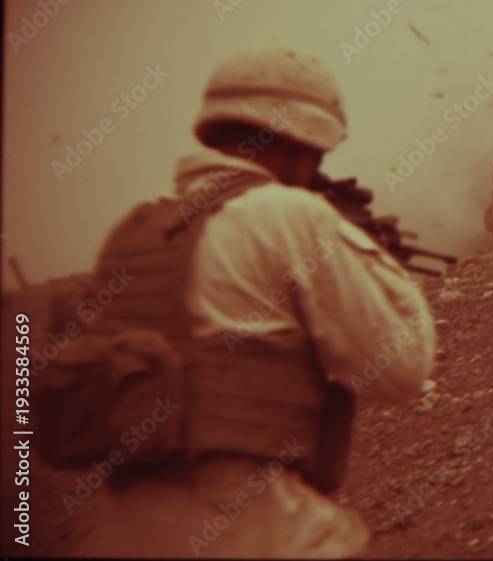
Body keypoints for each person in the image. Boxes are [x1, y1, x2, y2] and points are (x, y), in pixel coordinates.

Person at [76, 43, 435, 558]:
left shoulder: (130, 236)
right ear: (291, 144)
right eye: (316, 155)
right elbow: (403, 368)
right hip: (256, 534)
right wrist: (366, 251)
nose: (316, 170)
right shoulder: (289, 215)